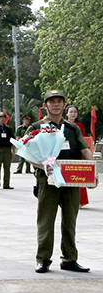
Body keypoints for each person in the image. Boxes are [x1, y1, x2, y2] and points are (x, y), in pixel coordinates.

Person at [32, 90, 96, 274]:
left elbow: (85, 150)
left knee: (70, 220)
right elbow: (26, 152)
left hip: (71, 179)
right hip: (48, 180)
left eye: (60, 101)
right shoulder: (37, 127)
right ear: (45, 105)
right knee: (45, 220)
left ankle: (69, 259)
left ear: (64, 105)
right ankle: (43, 259)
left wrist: (93, 172)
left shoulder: (72, 128)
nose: (56, 105)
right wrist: (41, 165)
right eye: (52, 102)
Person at [65, 105, 91, 208]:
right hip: (66, 154)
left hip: (77, 153)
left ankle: (80, 200)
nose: (73, 114)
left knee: (79, 177)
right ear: (66, 113)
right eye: (71, 112)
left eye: (75, 112)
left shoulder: (79, 125)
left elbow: (83, 141)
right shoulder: (63, 124)